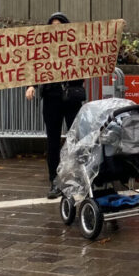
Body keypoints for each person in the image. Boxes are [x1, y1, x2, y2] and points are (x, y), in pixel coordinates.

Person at [24, 13, 86, 199]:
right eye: (52, 26)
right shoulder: (43, 49)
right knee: (52, 140)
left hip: (72, 97)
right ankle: (54, 180)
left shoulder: (75, 47)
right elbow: (34, 67)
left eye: (59, 25)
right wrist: (31, 85)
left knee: (76, 138)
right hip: (52, 98)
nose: (56, 29)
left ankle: (80, 177)